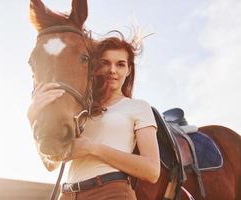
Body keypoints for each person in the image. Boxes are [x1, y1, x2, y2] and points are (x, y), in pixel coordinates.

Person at [28, 34, 160, 200]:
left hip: (111, 192)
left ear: (129, 70)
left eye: (120, 64)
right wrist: (32, 116)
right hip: (67, 194)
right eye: (105, 63)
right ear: (95, 67)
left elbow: (152, 171)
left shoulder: (138, 107)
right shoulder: (79, 110)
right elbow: (51, 164)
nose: (112, 70)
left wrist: (93, 148)